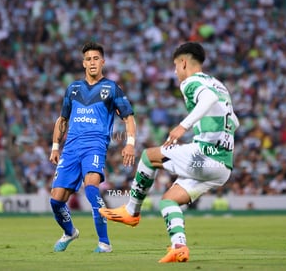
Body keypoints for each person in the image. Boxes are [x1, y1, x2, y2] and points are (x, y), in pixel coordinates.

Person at [99, 42, 239, 263]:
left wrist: (183, 126)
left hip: (206, 155)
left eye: (175, 65)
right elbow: (234, 121)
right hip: (223, 166)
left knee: (148, 156)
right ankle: (179, 247)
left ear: (184, 62)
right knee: (168, 202)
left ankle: (132, 211)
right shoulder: (218, 84)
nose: (175, 71)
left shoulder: (191, 82)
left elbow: (208, 100)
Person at [49, 41, 136, 253]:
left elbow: (129, 117)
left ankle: (104, 242)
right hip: (70, 148)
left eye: (96, 58)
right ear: (83, 63)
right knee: (56, 201)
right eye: (88, 59)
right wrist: (54, 146)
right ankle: (70, 232)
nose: (92, 62)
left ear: (103, 61)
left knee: (91, 189)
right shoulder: (73, 89)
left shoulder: (112, 88)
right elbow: (62, 120)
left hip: (95, 146)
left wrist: (130, 144)